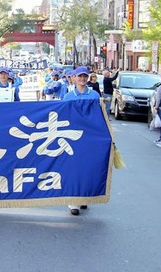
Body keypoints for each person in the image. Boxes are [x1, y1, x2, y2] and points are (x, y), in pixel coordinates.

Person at [63, 66, 100, 216]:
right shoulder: (68, 97)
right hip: (73, 138)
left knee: (88, 168)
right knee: (74, 169)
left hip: (90, 138)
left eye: (85, 76)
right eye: (79, 76)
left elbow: (100, 118)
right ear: (74, 78)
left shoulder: (95, 95)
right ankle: (74, 203)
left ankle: (85, 196)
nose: (82, 79)